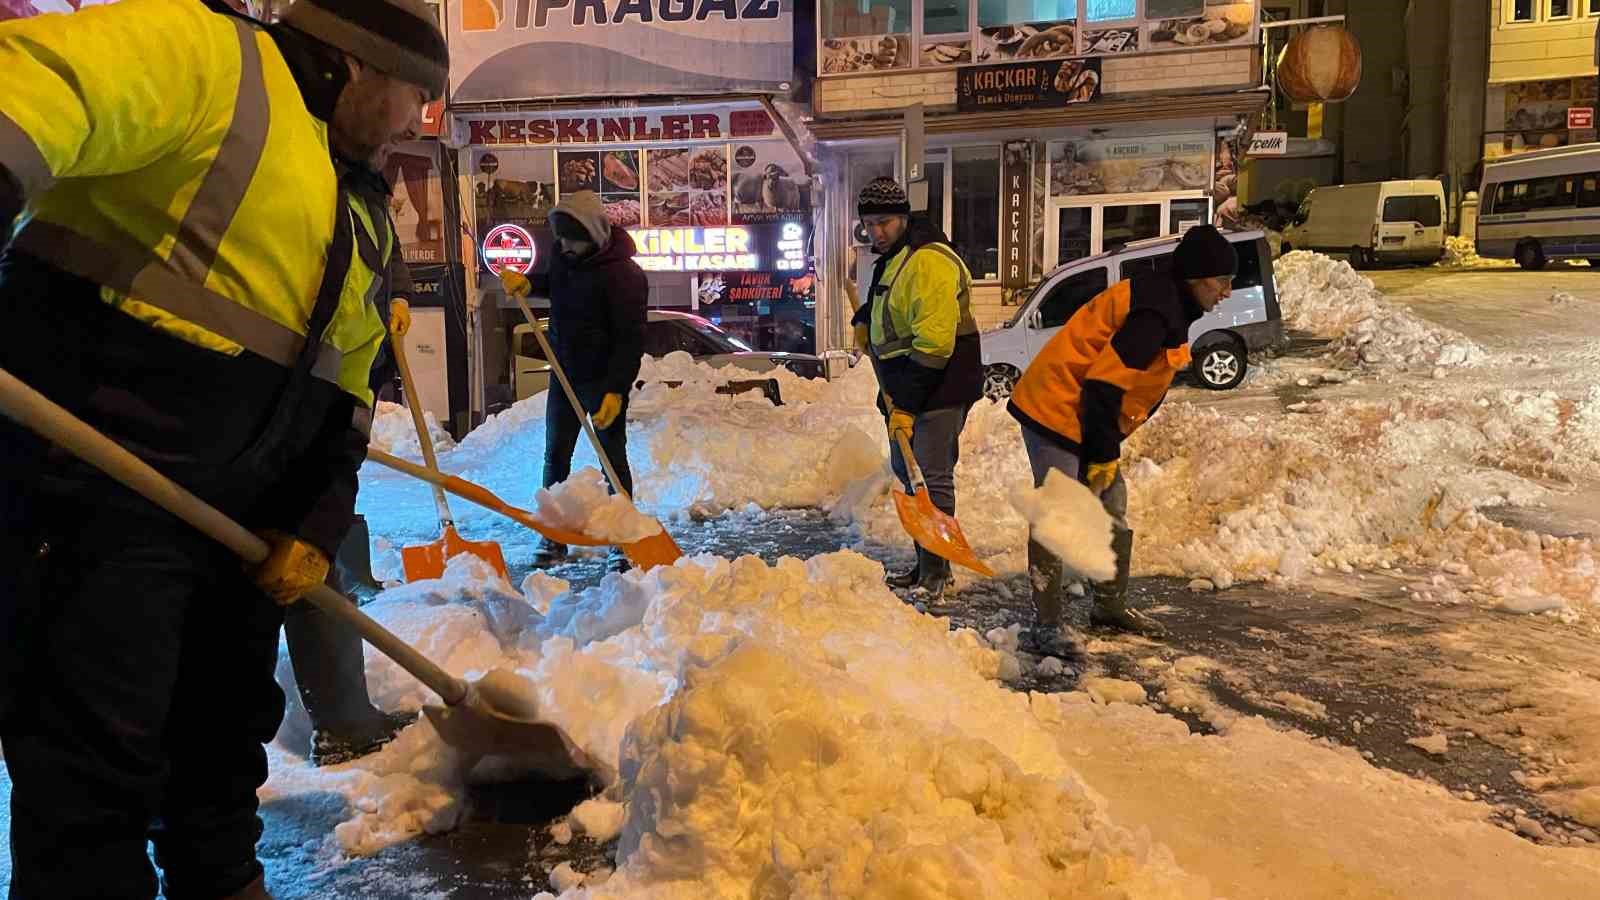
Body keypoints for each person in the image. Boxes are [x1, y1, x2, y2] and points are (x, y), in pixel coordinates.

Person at [0, 1, 447, 897]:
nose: (413, 124)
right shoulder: (210, 60)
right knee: (93, 772)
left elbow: (349, 397)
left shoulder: (358, 206)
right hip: (101, 494)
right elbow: (40, 87)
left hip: (239, 531)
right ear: (357, 65)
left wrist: (313, 525)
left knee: (220, 747)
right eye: (413, 98)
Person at [1008, 225, 1238, 651]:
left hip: (1087, 412)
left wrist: (1104, 448)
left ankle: (1109, 608)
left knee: (1111, 504)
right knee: (1059, 511)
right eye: (1222, 280)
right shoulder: (1156, 312)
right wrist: (1102, 452)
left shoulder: (1171, 302)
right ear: (1196, 277)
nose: (1227, 290)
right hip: (1055, 407)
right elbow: (1102, 385)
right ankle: (1047, 624)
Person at [851, 177, 983, 603]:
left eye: (884, 222)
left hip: (937, 387)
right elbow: (884, 300)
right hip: (906, 386)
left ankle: (937, 571)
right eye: (869, 224)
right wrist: (862, 320)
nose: (877, 232)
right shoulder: (894, 258)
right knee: (911, 478)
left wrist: (905, 406)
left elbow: (934, 344)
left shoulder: (928, 262)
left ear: (905, 217)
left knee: (930, 478)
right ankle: (926, 563)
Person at [502, 191, 647, 574]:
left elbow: (630, 340)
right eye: (560, 239)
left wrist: (616, 389)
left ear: (593, 234)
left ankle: (623, 538)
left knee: (611, 459)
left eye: (571, 239)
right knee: (556, 455)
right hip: (564, 372)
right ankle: (554, 535)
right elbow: (555, 282)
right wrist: (530, 284)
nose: (564, 246)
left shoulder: (625, 276)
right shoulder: (566, 259)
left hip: (603, 381)